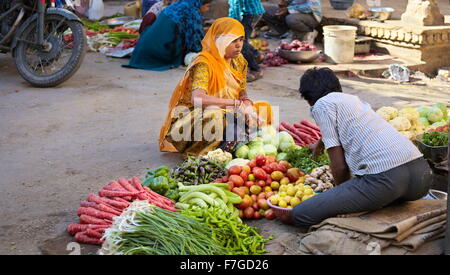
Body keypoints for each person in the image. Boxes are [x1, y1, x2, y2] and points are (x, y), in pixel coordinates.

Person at [292, 67, 431, 229]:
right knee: (383, 190)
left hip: (387, 180)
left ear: (309, 98)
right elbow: (343, 127)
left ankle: (367, 207)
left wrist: (344, 199)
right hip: (421, 178)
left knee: (299, 214)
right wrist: (319, 144)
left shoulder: (321, 105)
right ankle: (378, 204)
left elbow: (339, 167)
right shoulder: (353, 100)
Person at [159, 17, 272, 156]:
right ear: (220, 41)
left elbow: (242, 94)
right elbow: (198, 99)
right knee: (215, 116)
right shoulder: (204, 63)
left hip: (227, 110)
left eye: (241, 40)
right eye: (233, 41)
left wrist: (247, 105)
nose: (239, 45)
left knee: (263, 108)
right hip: (194, 114)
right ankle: (204, 153)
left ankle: (240, 143)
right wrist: (236, 104)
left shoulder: (239, 61)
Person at [124, 0, 213, 71]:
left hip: (141, 51)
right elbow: (195, 39)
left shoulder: (175, 7)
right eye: (207, 6)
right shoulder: (191, 11)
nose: (208, 9)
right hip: (157, 53)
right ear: (200, 3)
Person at [228, 0, 265, 82]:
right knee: (244, 39)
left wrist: (233, 23)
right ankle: (257, 55)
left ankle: (255, 69)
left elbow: (236, 4)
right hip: (253, 11)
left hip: (249, 13)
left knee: (241, 43)